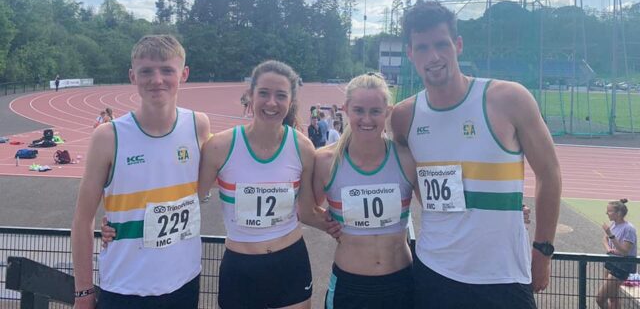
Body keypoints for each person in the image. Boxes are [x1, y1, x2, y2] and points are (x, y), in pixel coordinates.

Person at [390, 1, 562, 308]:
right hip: (435, 272)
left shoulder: (509, 99)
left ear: (458, 45)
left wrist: (543, 251)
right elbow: (419, 186)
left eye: (442, 44)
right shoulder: (404, 117)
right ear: (410, 54)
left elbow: (549, 174)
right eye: (423, 47)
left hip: (504, 276)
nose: (434, 56)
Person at [71, 35, 210, 309]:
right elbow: (81, 220)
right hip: (125, 287)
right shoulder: (108, 137)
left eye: (167, 70)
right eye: (146, 71)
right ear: (133, 76)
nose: (156, 80)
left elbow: (228, 173)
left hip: (184, 282)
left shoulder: (198, 125)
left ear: (183, 74)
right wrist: (83, 292)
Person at [197, 60, 339, 309]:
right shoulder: (220, 147)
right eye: (263, 93)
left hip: (290, 263)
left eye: (280, 95)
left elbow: (306, 211)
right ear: (250, 96)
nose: (271, 103)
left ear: (291, 101)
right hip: (240, 268)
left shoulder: (302, 147)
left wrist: (348, 228)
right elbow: (188, 200)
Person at [313, 73, 416, 308]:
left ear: (387, 112)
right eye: (359, 110)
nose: (366, 119)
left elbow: (435, 206)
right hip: (350, 285)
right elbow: (306, 208)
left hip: (400, 281)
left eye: (375, 111)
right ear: (346, 109)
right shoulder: (325, 161)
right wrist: (324, 222)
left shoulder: (406, 158)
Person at [597, 199, 637, 309]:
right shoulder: (614, 224)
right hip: (611, 262)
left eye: (609, 211)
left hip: (622, 266)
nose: (606, 213)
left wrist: (610, 234)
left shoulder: (629, 229)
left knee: (600, 299)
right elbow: (604, 239)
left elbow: (625, 251)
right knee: (613, 298)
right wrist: (609, 248)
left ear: (618, 213)